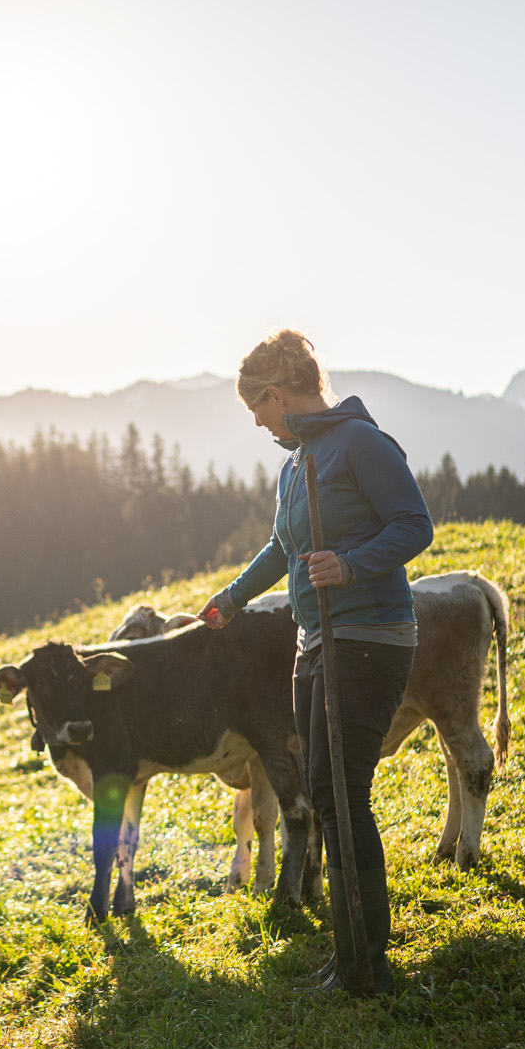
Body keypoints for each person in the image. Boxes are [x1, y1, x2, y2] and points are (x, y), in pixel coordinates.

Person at [203, 329, 434, 995]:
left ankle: (368, 964)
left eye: (257, 408)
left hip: (367, 638)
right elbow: (282, 546)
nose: (257, 422)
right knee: (325, 792)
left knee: (341, 793)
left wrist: (353, 562)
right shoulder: (296, 461)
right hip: (315, 643)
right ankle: (351, 953)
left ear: (277, 393)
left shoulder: (359, 443)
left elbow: (413, 523)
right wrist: (231, 600)